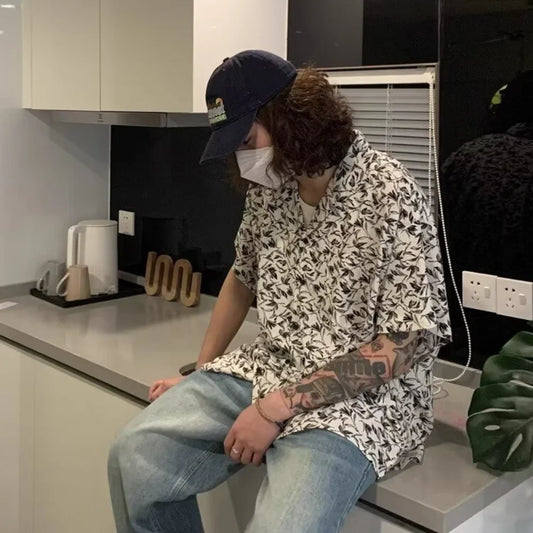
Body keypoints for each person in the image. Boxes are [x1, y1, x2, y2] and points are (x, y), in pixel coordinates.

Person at [108, 50, 452, 533]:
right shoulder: (273, 189)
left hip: (358, 405)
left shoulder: (390, 194)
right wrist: (203, 370)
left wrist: (277, 407)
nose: (243, 159)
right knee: (134, 459)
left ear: (291, 119)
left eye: (247, 140)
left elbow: (406, 343)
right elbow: (242, 276)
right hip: (269, 367)